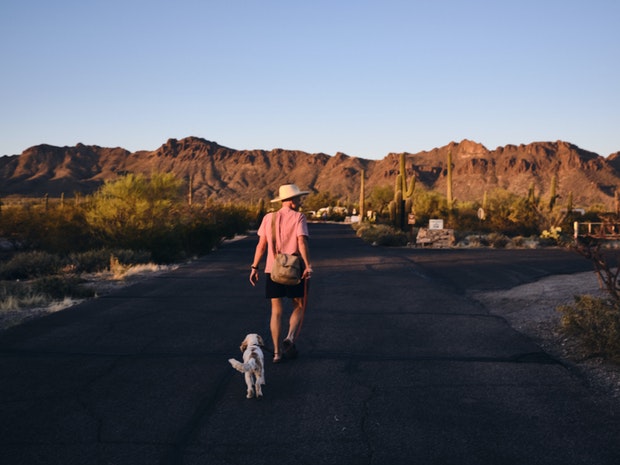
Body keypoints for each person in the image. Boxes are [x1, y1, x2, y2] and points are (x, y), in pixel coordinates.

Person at [249, 184, 313, 363]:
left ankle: (277, 353)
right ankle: (290, 338)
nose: (300, 202)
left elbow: (261, 246)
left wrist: (255, 267)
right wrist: (308, 265)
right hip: (295, 270)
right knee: (299, 305)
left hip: (272, 270)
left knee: (276, 311)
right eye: (298, 199)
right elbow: (302, 243)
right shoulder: (299, 217)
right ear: (292, 201)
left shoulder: (268, 218)